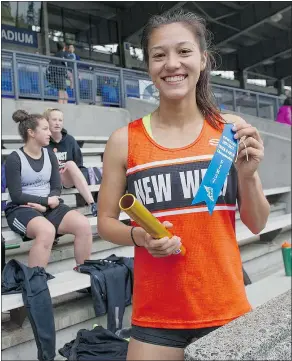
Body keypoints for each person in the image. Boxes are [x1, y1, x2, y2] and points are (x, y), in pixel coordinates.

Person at [97, 10, 270, 360]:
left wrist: (248, 178)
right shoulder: (123, 141)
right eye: (159, 55)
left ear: (204, 60)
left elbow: (257, 223)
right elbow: (105, 223)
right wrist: (138, 236)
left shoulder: (230, 131)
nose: (171, 64)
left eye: (184, 52)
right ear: (148, 66)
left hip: (227, 310)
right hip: (156, 317)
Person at [5, 110, 92, 269]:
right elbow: (16, 195)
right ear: (31, 132)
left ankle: (85, 272)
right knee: (46, 231)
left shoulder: (49, 154)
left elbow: (56, 186)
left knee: (83, 225)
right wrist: (44, 202)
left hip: (48, 206)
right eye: (44, 129)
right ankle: (35, 284)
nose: (49, 132)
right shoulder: (14, 158)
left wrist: (47, 204)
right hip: (21, 209)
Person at [44, 108, 97, 217]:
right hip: (51, 179)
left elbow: (79, 165)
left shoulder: (70, 140)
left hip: (67, 178)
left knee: (70, 164)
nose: (57, 123)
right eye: (54, 120)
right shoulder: (44, 140)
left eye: (60, 120)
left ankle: (92, 204)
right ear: (47, 122)